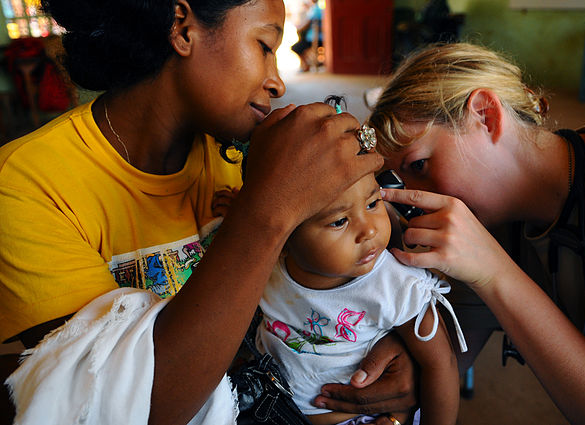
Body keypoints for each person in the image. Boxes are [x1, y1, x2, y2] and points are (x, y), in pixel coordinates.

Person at [0, 0, 423, 423]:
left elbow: (348, 269)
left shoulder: (244, 157)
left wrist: (392, 346)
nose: (277, 83)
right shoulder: (27, 185)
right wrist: (268, 209)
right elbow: (126, 406)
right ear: (183, 29)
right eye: (264, 45)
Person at [366, 42, 585, 425]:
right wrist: (413, 368)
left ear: (485, 114)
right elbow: (450, 348)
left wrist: (494, 271)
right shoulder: (498, 217)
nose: (419, 199)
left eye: (420, 164)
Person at [256, 169, 467, 425]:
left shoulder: (396, 285)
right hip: (267, 402)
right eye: (339, 221)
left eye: (372, 203)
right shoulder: (265, 262)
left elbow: (441, 365)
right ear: (282, 233)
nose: (368, 230)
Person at [290, 0, 323, 72]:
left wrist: (298, 28)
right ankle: (308, 63)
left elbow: (306, 25)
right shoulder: (319, 10)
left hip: (313, 39)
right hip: (319, 38)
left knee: (296, 48)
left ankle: (305, 65)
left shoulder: (315, 10)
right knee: (301, 47)